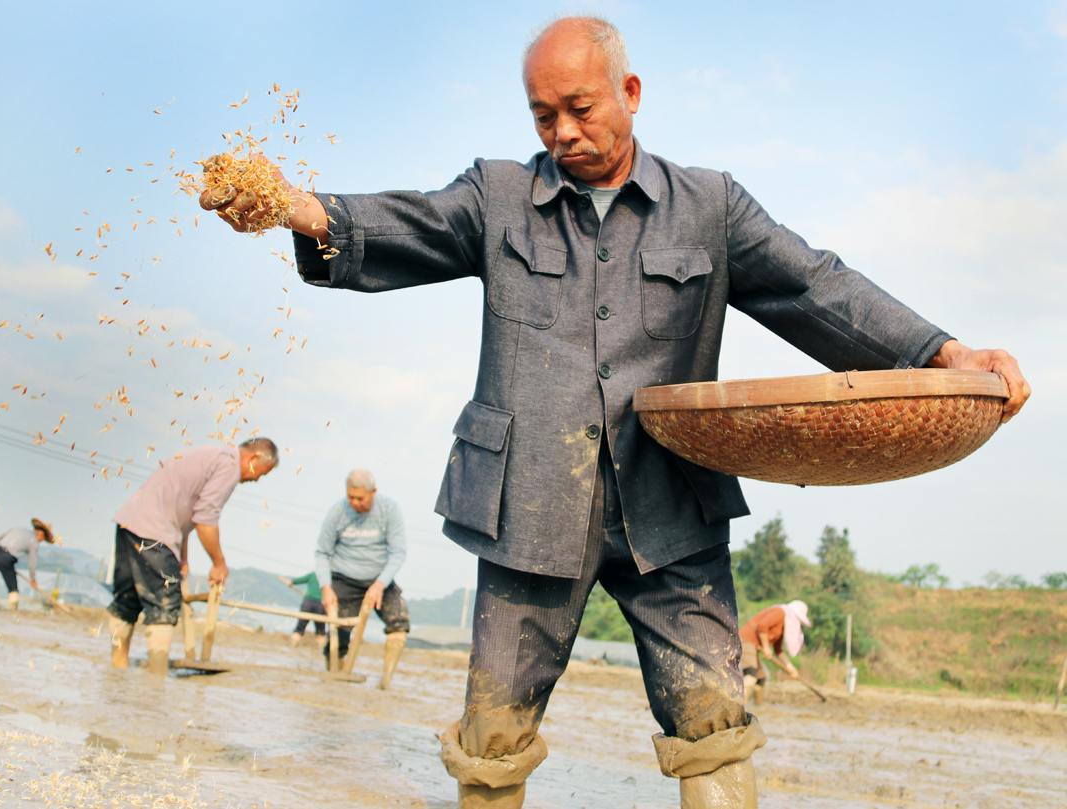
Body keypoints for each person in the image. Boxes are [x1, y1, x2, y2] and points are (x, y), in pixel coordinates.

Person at [202, 16, 1030, 809]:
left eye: (579, 108)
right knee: (492, 729)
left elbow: (816, 285)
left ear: (630, 90)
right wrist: (292, 207)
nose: (560, 130)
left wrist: (941, 352)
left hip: (670, 509)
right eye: (542, 113)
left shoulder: (710, 207)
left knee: (713, 716)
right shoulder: (496, 196)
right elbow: (406, 222)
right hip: (526, 505)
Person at [107, 438, 277, 675]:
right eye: (262, 473)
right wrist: (219, 564)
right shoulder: (229, 464)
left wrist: (182, 557)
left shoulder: (212, 455)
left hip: (130, 523)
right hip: (155, 533)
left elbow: (183, 507)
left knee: (127, 601)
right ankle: (156, 681)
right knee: (164, 604)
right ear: (254, 459)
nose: (257, 478)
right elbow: (205, 518)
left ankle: (117, 669)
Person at [314, 469, 410, 689]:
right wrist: (326, 588)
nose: (354, 502)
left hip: (379, 579)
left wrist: (379, 584)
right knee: (338, 634)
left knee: (399, 622)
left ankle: (385, 680)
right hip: (344, 578)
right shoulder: (337, 512)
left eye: (360, 498)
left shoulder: (390, 510)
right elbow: (321, 552)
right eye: (350, 497)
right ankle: (334, 680)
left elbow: (398, 552)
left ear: (373, 492)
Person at [0, 519, 56, 611]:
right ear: (41, 534)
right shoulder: (34, 542)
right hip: (7, 559)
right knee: (13, 589)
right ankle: (13, 612)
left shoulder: (17, 529)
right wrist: (33, 579)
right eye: (43, 539)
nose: (41, 541)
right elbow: (32, 563)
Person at [739, 601, 811, 704]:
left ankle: (758, 707)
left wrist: (790, 667)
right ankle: (739, 708)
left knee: (761, 679)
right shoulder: (780, 612)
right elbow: (762, 626)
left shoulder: (783, 627)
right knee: (751, 677)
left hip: (755, 646)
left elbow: (778, 650)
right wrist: (766, 647)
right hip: (746, 640)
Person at [282, 571, 327, 646]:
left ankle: (292, 647)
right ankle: (321, 651)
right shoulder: (328, 577)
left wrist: (291, 582)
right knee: (320, 631)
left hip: (308, 603)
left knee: (300, 628)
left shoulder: (313, 575)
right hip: (320, 605)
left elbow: (299, 580)